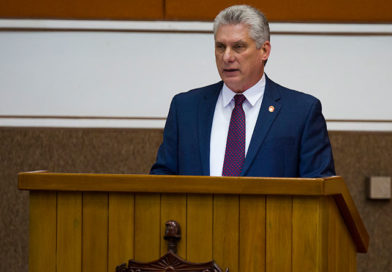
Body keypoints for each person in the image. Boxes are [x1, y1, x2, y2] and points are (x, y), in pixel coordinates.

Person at [150, 5, 335, 177]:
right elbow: (162, 180)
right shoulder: (185, 109)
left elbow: (318, 189)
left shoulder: (301, 112)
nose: (227, 57)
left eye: (238, 47)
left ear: (264, 50)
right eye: (220, 47)